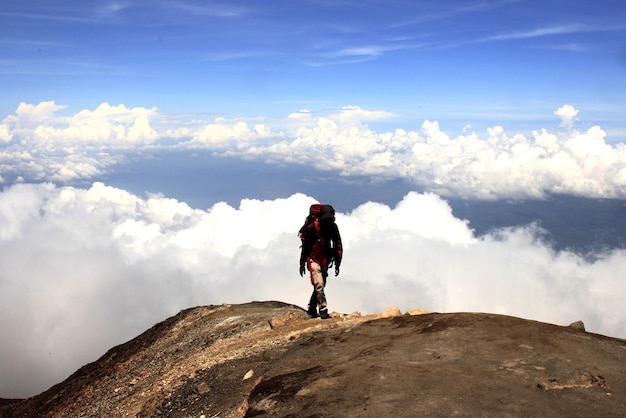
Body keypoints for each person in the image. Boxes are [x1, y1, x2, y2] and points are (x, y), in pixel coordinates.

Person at [299, 206, 343, 319]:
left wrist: (337, 263)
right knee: (319, 283)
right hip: (313, 257)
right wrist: (302, 263)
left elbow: (338, 244)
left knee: (321, 284)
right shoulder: (312, 228)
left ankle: (312, 308)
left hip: (324, 258)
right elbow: (306, 247)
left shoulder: (333, 228)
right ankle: (323, 309)